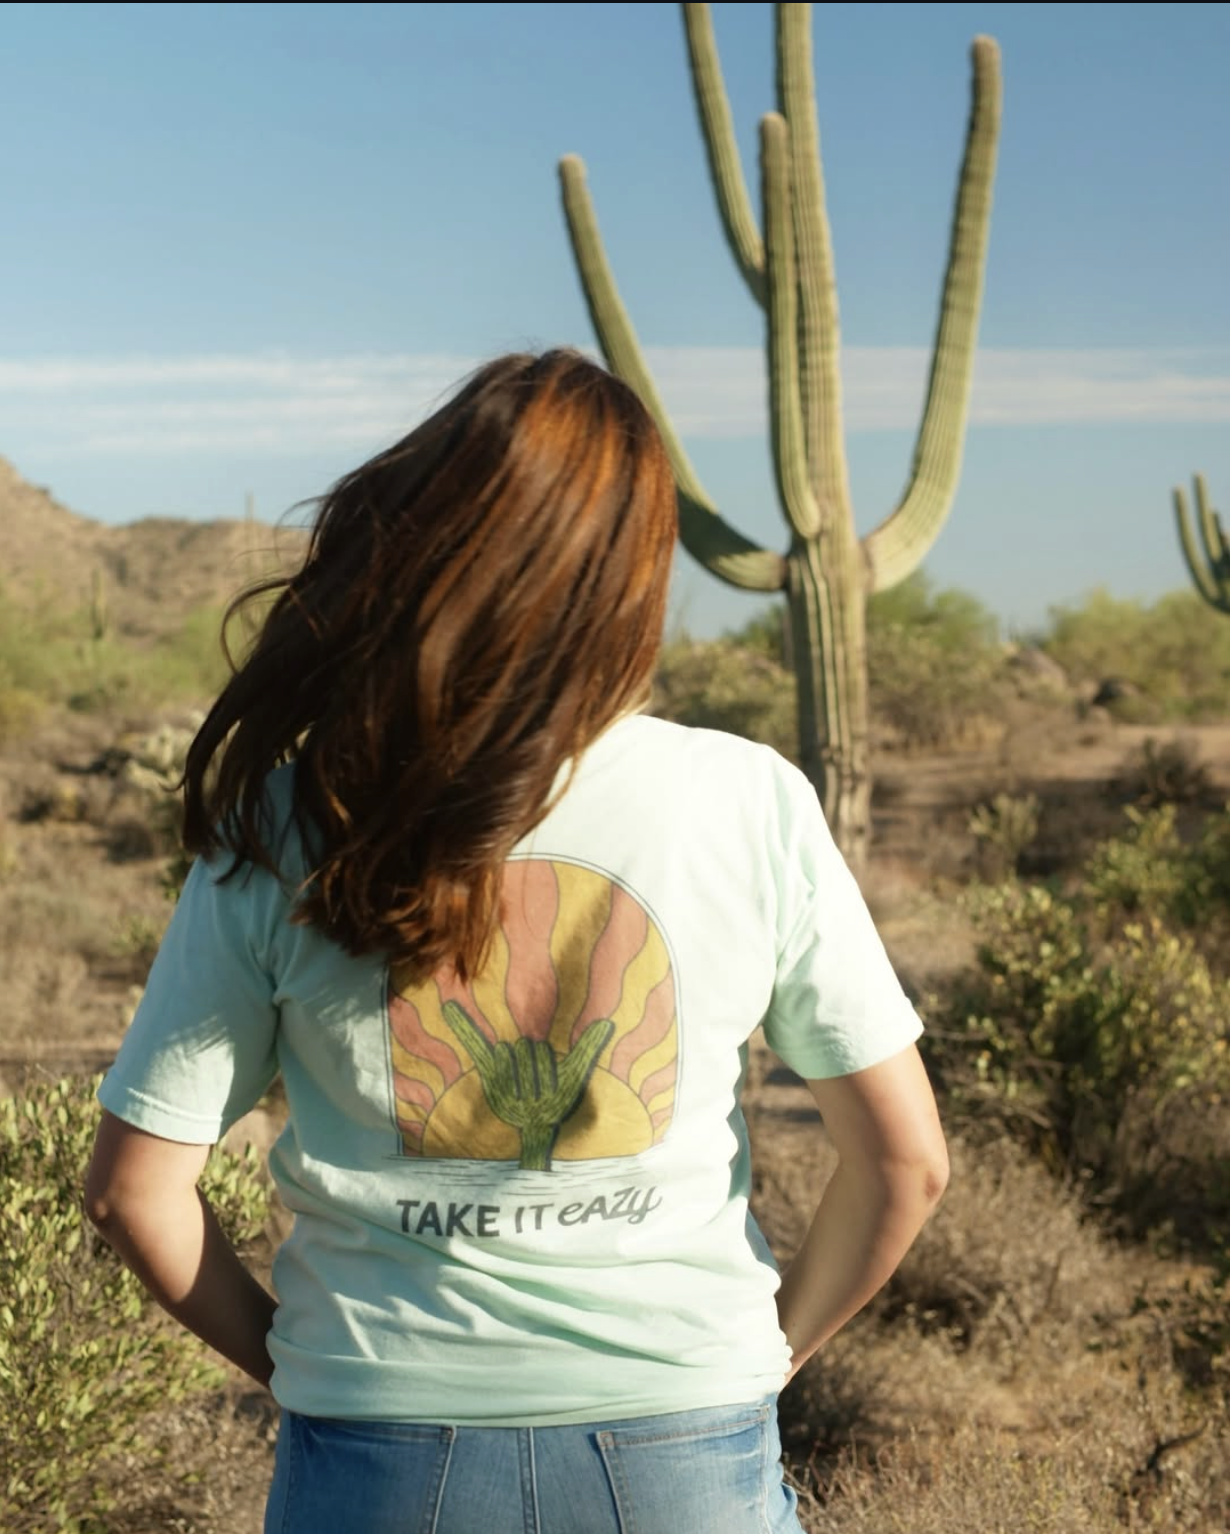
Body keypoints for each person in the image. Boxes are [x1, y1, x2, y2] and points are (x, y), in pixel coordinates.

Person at [85, 348, 948, 1534]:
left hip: (380, 1453)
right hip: (683, 1441)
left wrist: (310, 1374)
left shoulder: (290, 818)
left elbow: (134, 1192)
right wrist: (758, 1355)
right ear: (637, 573)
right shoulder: (747, 800)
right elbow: (906, 1163)